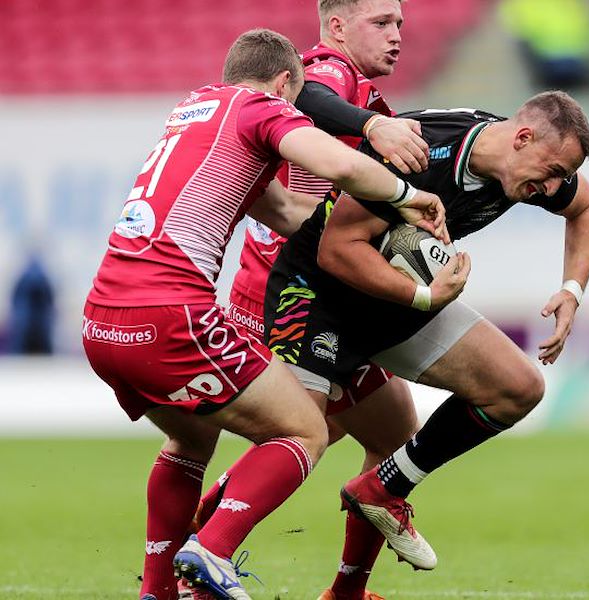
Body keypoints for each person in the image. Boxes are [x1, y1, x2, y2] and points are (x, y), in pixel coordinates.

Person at [81, 28, 446, 600]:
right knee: (303, 428)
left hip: (103, 318)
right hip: (171, 312)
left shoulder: (195, 109)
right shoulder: (260, 107)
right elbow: (341, 166)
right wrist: (407, 197)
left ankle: (159, 592)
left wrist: (363, 238)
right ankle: (212, 550)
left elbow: (286, 210)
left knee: (191, 442)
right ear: (285, 85)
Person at [264, 91, 589, 570]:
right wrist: (423, 297)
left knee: (518, 389)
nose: (552, 190)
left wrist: (572, 289)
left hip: (393, 302)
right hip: (322, 298)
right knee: (297, 441)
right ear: (523, 138)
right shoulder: (418, 152)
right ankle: (204, 543)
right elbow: (335, 250)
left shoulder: (519, 168)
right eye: (552, 173)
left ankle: (381, 494)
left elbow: (587, 209)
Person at [191, 2, 431, 599]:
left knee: (392, 435)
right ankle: (210, 544)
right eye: (382, 22)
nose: (397, 36)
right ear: (337, 27)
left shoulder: (365, 96)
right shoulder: (327, 72)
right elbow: (303, 99)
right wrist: (374, 130)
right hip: (290, 297)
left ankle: (335, 583)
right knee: (306, 435)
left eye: (400, 23)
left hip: (321, 296)